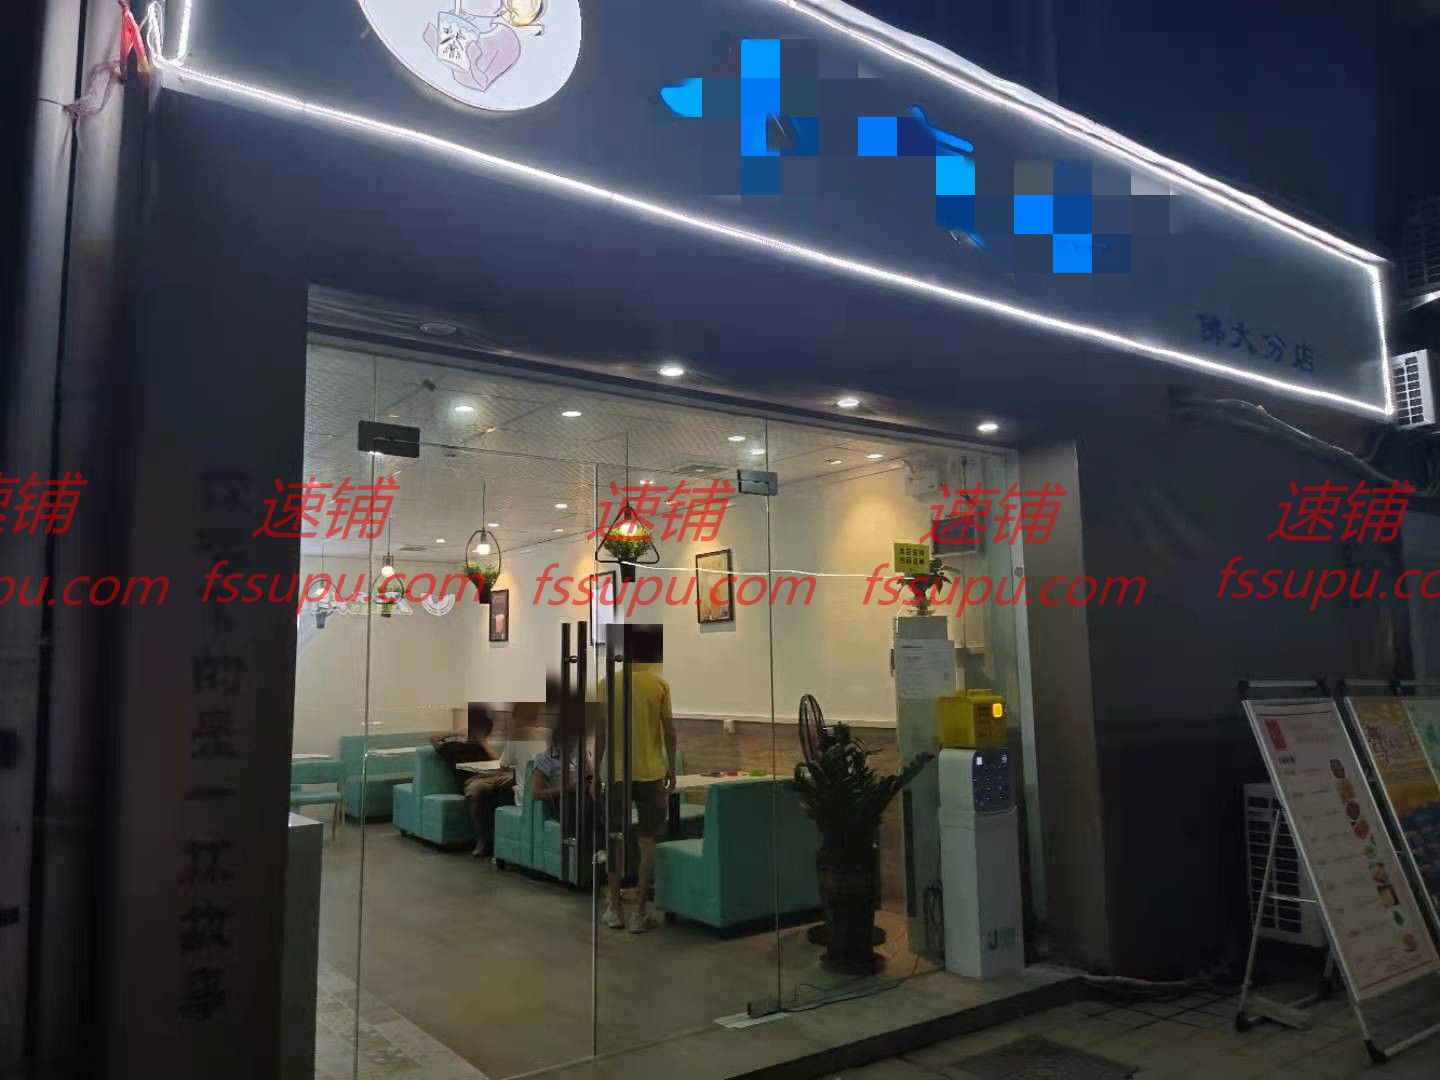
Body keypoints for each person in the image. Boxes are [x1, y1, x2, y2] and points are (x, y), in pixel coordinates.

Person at [595, 624, 677, 934]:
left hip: (617, 775)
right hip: (652, 774)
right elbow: (670, 733)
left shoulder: (606, 685)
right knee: (648, 843)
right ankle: (640, 912)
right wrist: (671, 768)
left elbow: (601, 733)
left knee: (615, 839)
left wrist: (596, 774)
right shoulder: (659, 686)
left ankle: (614, 908)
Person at [430, 704, 513, 858]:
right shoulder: (453, 747)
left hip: (494, 776)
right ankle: (482, 841)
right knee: (476, 791)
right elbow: (433, 738)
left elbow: (500, 763)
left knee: (517, 783)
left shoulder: (482, 747)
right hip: (474, 780)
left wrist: (482, 742)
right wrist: (455, 732)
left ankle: (511, 839)